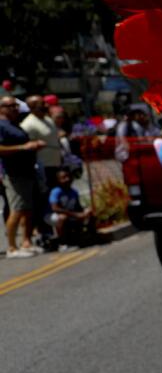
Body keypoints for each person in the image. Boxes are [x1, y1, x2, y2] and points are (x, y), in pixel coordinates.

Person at [0, 96, 46, 258]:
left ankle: (26, 242)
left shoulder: (14, 125)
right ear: (2, 108)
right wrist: (24, 147)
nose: (15, 108)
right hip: (14, 173)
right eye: (10, 106)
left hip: (26, 171)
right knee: (17, 209)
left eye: (16, 106)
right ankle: (12, 247)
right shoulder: (2, 125)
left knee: (27, 208)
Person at [22, 94, 65, 190]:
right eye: (43, 103)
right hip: (44, 167)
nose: (47, 105)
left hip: (56, 164)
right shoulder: (28, 124)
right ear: (33, 107)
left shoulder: (47, 119)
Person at [47, 166, 96, 250]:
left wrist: (85, 211)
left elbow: (78, 207)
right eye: (63, 178)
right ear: (58, 180)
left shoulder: (74, 191)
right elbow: (55, 208)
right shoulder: (56, 191)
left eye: (68, 177)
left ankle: (88, 237)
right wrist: (75, 214)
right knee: (62, 217)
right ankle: (62, 243)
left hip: (70, 213)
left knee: (89, 212)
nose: (67, 179)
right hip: (52, 215)